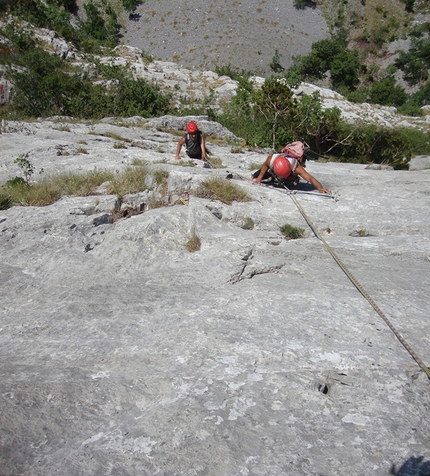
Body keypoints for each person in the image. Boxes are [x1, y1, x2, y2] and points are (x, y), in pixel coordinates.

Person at [251, 152, 331, 194]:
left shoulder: (296, 168)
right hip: (275, 170)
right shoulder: (270, 160)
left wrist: (320, 188)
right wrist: (259, 178)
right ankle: (272, 177)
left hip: (288, 174)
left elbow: (310, 178)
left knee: (289, 182)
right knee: (255, 175)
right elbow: (265, 165)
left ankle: (287, 178)